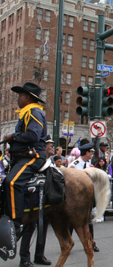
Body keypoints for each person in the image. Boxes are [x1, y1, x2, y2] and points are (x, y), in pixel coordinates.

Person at [2, 83, 47, 239]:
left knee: (12, 182)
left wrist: (12, 137)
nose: (17, 99)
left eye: (20, 96)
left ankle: (17, 222)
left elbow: (34, 136)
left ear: (27, 98)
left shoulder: (34, 113)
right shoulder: (27, 112)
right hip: (22, 156)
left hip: (32, 156)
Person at [19, 137, 54, 267]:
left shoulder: (50, 162)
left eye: (52, 144)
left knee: (43, 228)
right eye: (49, 144)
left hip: (45, 201)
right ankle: (24, 259)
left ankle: (39, 255)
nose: (52, 147)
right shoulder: (33, 162)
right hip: (32, 201)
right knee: (29, 228)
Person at [67, 142, 99, 252]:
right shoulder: (74, 164)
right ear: (86, 153)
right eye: (91, 152)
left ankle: (91, 242)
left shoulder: (89, 165)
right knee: (71, 222)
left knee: (88, 221)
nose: (92, 155)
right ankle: (67, 243)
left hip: (86, 197)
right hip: (76, 198)